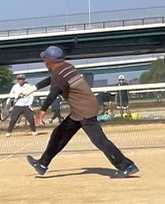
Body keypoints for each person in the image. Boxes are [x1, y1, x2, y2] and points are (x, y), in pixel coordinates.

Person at [27, 46, 139, 178]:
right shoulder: (66, 67)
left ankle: (126, 166)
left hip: (84, 110)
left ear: (48, 61)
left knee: (100, 140)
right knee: (59, 134)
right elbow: (51, 80)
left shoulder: (59, 74)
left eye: (44, 59)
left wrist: (42, 111)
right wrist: (33, 89)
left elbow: (54, 92)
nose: (44, 62)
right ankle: (42, 163)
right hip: (79, 110)